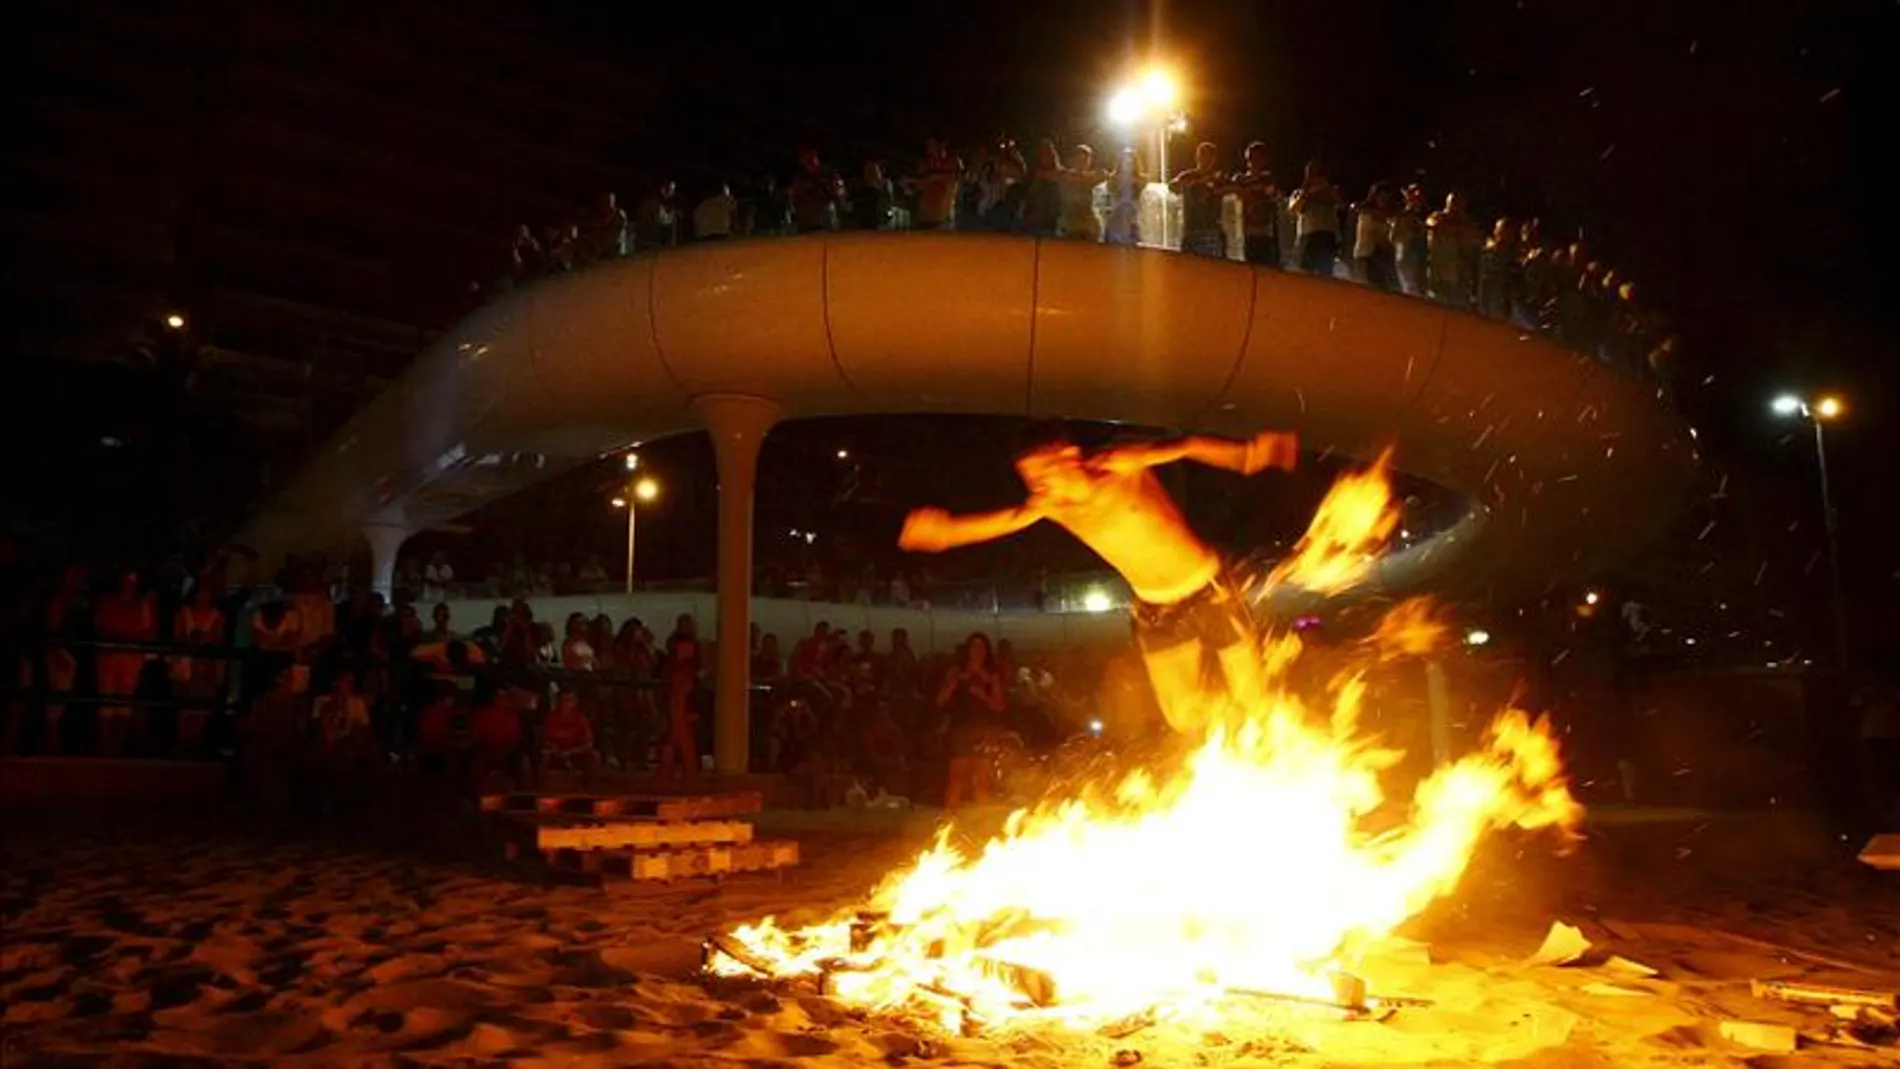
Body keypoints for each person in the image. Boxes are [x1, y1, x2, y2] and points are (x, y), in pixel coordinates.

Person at [899, 423, 1299, 734]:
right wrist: (949, 532)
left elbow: (1187, 444)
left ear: (1070, 456)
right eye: (1031, 479)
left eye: (1044, 473)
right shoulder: (1051, 505)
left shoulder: (1120, 465)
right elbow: (1007, 520)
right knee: (1184, 716)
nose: (1038, 486)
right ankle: (1231, 743)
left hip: (1207, 588)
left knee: (1255, 699)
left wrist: (1247, 455)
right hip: (1155, 609)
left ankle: (1275, 735)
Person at [935, 632, 1007, 807]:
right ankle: (948, 823)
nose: (977, 651)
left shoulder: (991, 675)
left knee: (982, 781)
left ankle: (983, 823)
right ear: (968, 649)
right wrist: (957, 681)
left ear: (986, 650)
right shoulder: (957, 671)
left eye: (981, 646)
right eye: (974, 646)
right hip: (960, 730)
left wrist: (983, 695)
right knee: (957, 779)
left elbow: (1000, 706)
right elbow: (940, 700)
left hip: (982, 730)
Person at [1169, 141, 1228, 257]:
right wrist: (1199, 182)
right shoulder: (1188, 175)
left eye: (1209, 156)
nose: (1206, 159)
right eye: (1203, 155)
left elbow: (1235, 189)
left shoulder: (1219, 179)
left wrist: (1217, 189)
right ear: (1197, 156)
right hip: (1191, 231)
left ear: (1214, 159)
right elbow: (1172, 186)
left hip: (1211, 232)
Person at [660, 613, 701, 776]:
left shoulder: (678, 645)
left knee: (678, 734)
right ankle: (680, 768)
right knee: (680, 734)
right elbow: (684, 665)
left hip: (682, 695)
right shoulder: (684, 646)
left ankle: (671, 768)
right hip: (680, 695)